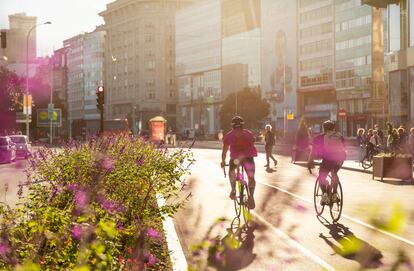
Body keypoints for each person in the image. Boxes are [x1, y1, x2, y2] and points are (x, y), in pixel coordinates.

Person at [221, 116, 258, 209]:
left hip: (235, 159)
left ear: (232, 126)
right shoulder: (248, 133)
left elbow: (224, 152)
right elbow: (253, 144)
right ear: (242, 125)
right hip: (248, 157)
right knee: (251, 177)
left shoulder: (229, 136)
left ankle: (233, 190)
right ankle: (251, 197)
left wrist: (223, 162)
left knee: (231, 172)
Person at [307, 120, 346, 205]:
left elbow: (313, 151)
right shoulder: (339, 136)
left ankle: (325, 195)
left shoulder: (319, 138)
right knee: (334, 173)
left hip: (328, 159)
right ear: (334, 128)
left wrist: (310, 162)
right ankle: (335, 194)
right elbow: (343, 147)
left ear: (323, 128)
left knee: (321, 176)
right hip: (340, 158)